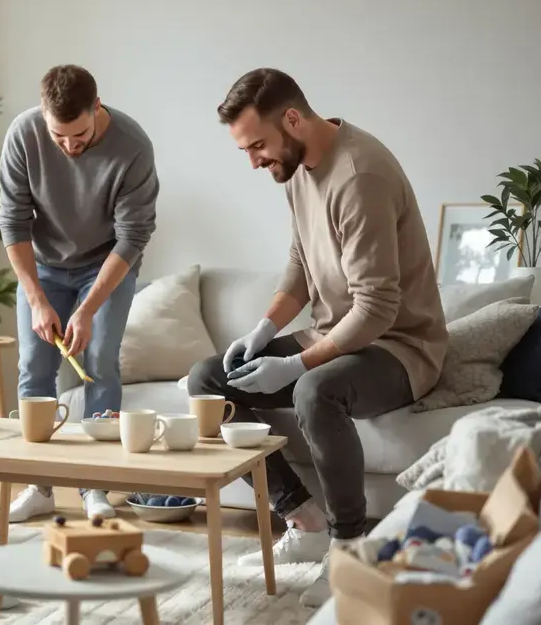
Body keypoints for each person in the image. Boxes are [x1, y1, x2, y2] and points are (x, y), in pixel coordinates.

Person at [188, 68, 448, 606]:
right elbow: (300, 266)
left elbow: (378, 308)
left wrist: (299, 364)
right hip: (335, 333)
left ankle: (349, 548)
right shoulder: (298, 167)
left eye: (257, 145)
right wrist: (263, 330)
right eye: (246, 149)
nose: (255, 160)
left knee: (315, 391)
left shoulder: (359, 174)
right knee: (209, 378)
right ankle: (303, 519)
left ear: (292, 118)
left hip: (399, 347)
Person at [0, 64, 159, 523]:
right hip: (42, 267)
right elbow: (12, 222)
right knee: (34, 367)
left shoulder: (133, 146)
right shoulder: (24, 134)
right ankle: (40, 486)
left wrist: (87, 309)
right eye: (58, 136)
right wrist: (36, 298)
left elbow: (132, 237)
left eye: (79, 134)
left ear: (97, 107)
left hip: (105, 265)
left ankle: (95, 486)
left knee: (100, 362)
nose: (69, 146)